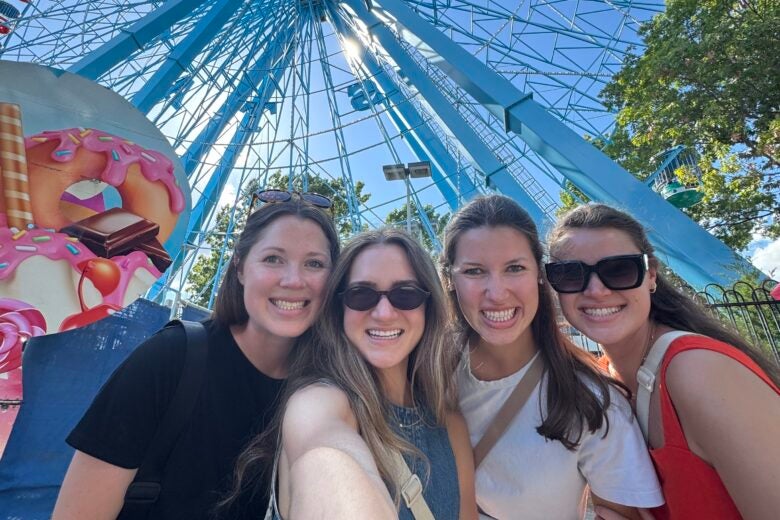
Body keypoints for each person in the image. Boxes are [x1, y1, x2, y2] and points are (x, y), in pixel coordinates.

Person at [52, 192, 340, 519]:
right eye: (273, 258)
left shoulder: (323, 393)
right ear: (241, 267)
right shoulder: (171, 358)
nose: (293, 280)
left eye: (314, 263)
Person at [547, 203, 780, 520]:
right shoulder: (603, 384)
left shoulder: (698, 372)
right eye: (570, 274)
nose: (596, 290)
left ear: (651, 276)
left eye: (619, 270)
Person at [225, 228, 477, 520]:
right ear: (339, 309)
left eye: (405, 294)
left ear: (428, 307)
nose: (384, 313)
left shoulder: (451, 425)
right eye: (361, 295)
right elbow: (323, 450)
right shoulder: (319, 402)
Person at [440, 195, 664, 520]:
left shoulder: (592, 402)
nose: (497, 292)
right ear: (450, 280)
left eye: (515, 268)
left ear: (539, 276)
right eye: (474, 271)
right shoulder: (423, 376)